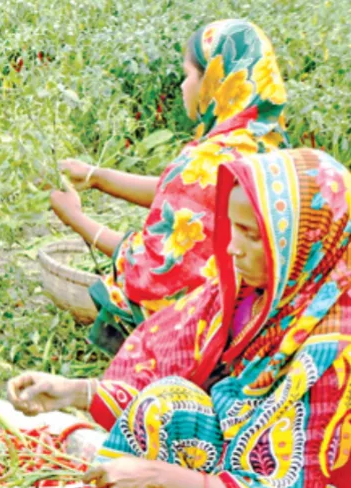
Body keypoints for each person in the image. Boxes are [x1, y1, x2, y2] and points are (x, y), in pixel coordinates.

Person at [9, 149, 351, 488]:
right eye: (233, 228)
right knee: (165, 405)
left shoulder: (342, 351)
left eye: (251, 235)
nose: (231, 248)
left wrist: (157, 475)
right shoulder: (249, 295)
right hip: (227, 465)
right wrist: (75, 391)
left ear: (304, 243)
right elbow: (166, 369)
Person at [50, 20, 288, 354]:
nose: (181, 86)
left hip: (209, 328)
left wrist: (75, 218)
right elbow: (181, 193)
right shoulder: (267, 145)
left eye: (188, 75)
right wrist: (95, 176)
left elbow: (154, 270)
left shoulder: (208, 160)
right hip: (260, 315)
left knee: (116, 296)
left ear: (217, 80)